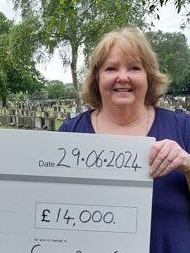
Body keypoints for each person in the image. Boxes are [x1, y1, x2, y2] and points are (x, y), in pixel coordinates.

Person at [60, 27, 190, 252]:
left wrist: (187, 164)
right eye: (111, 68)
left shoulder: (184, 128)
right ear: (97, 78)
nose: (123, 77)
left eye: (134, 68)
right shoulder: (71, 132)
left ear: (148, 76)